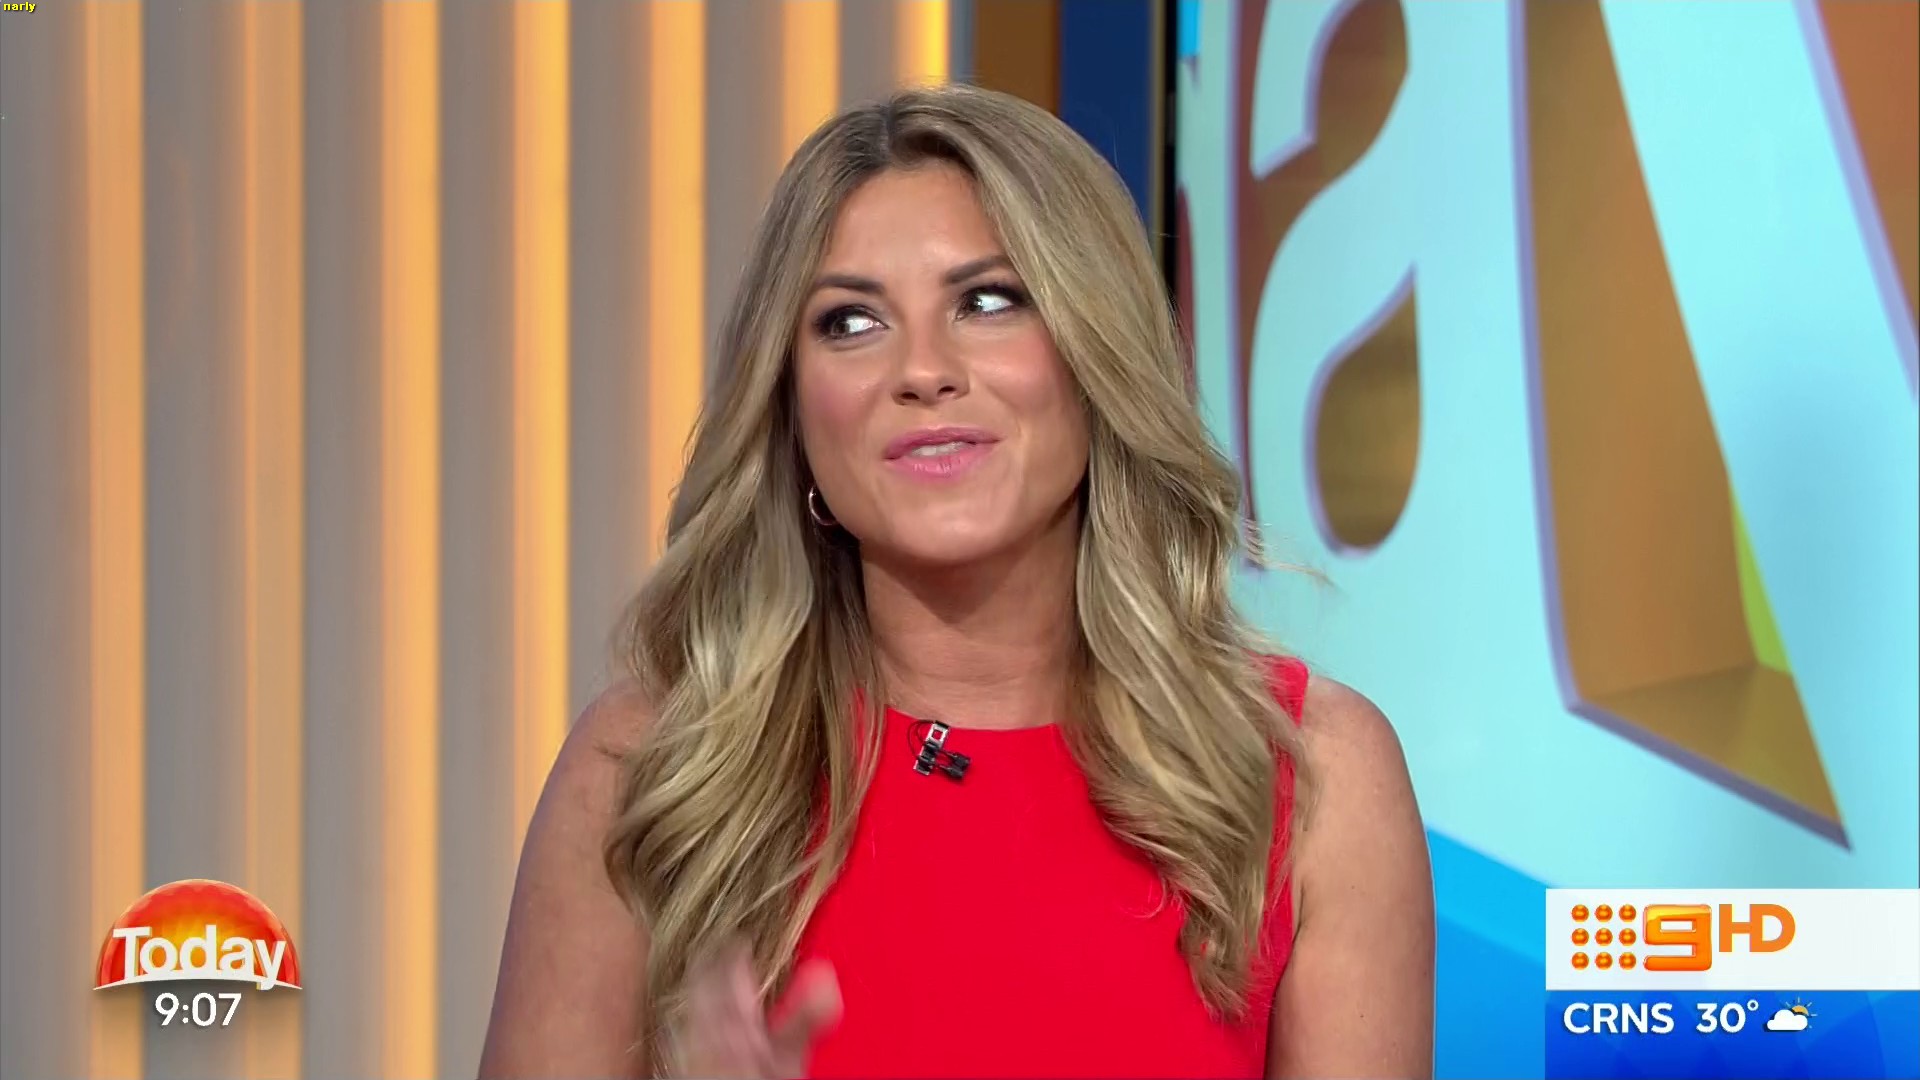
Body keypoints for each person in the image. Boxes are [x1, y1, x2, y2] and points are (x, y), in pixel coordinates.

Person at [478, 83, 1433, 1079]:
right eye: (851, 321)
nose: (923, 371)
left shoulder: (1311, 779)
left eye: (987, 302)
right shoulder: (655, 771)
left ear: (1096, 354)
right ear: (793, 408)